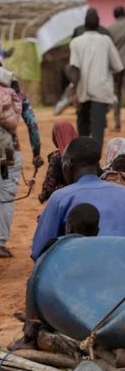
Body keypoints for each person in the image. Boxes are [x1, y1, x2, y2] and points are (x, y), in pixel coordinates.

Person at [0, 80, 43, 257]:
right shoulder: (19, 96)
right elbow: (32, 125)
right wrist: (36, 153)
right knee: (5, 195)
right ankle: (1, 244)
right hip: (7, 151)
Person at [31, 137, 125, 261]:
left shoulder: (61, 197)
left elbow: (39, 251)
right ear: (97, 165)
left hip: (79, 271)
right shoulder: (122, 192)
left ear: (68, 165)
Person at [23, 203, 100, 346]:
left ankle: (30, 338)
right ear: (97, 231)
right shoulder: (102, 252)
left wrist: (30, 324)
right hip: (97, 320)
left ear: (68, 227)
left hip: (65, 322)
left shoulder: (57, 250)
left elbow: (34, 283)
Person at [69, 10, 124, 146]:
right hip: (102, 89)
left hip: (83, 90)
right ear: (98, 24)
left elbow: (75, 68)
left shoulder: (76, 42)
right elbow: (118, 67)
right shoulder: (106, 41)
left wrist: (74, 91)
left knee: (83, 125)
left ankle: (82, 154)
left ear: (85, 24)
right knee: (98, 128)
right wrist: (114, 84)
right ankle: (96, 161)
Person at [39, 121, 79, 204]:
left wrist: (42, 196)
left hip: (65, 199)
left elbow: (50, 183)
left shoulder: (57, 157)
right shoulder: (86, 152)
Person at [108, 7, 125, 132]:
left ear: (114, 15)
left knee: (116, 95)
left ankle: (117, 124)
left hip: (117, 65)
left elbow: (110, 49)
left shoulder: (111, 29)